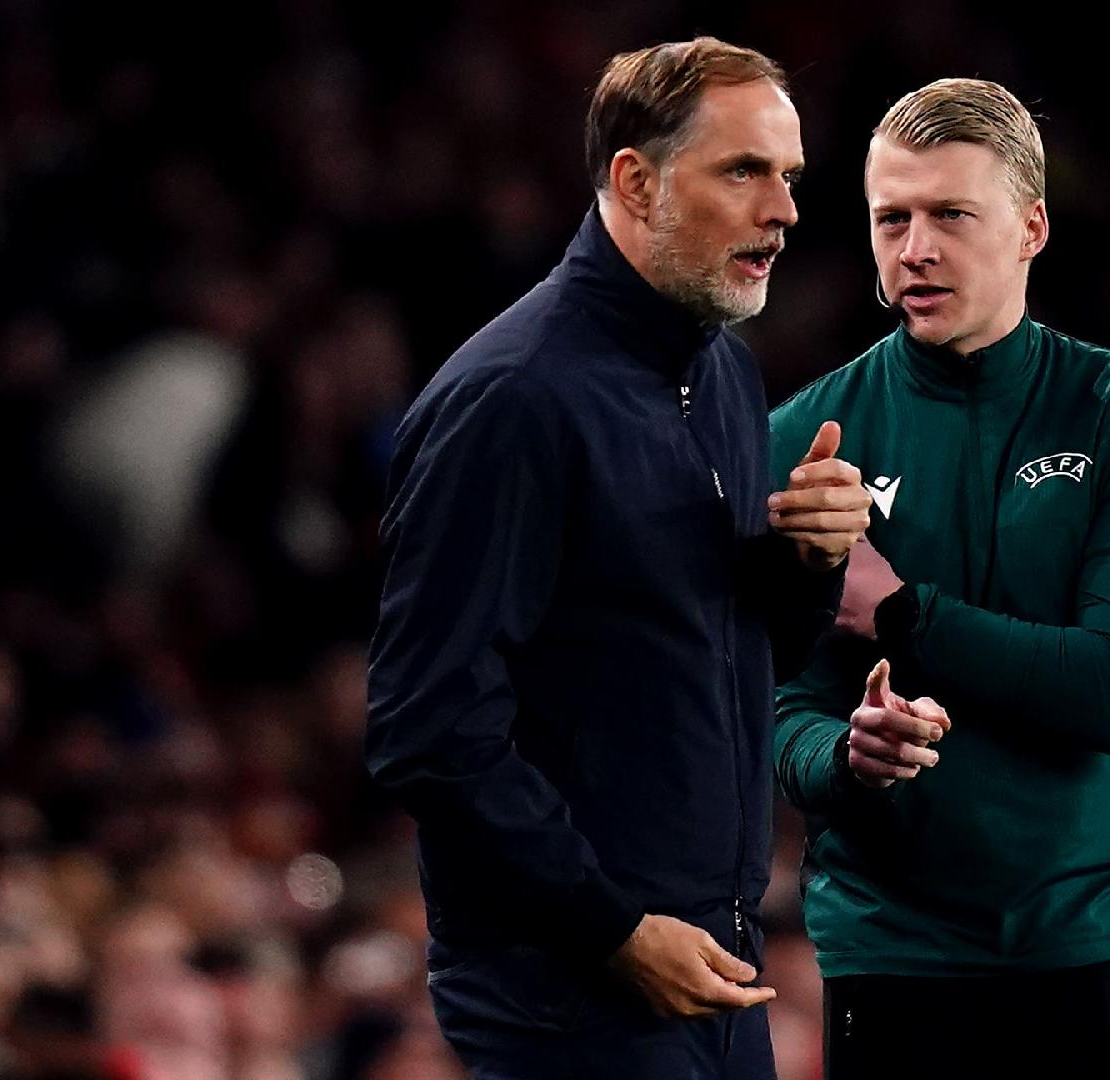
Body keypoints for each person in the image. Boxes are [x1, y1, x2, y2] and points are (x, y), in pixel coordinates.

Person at [364, 37, 872, 1080]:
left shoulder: (721, 366)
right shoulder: (513, 400)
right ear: (637, 182)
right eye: (744, 172)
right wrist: (608, 927)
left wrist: (809, 561)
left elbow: (732, 650)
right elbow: (428, 728)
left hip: (706, 964)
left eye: (790, 178)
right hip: (571, 989)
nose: (783, 211)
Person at [769, 78, 1110, 1078]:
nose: (914, 248)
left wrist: (899, 613)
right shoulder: (806, 439)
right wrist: (846, 757)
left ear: (1030, 227)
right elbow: (774, 709)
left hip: (1095, 938)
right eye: (892, 218)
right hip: (893, 956)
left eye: (950, 216)